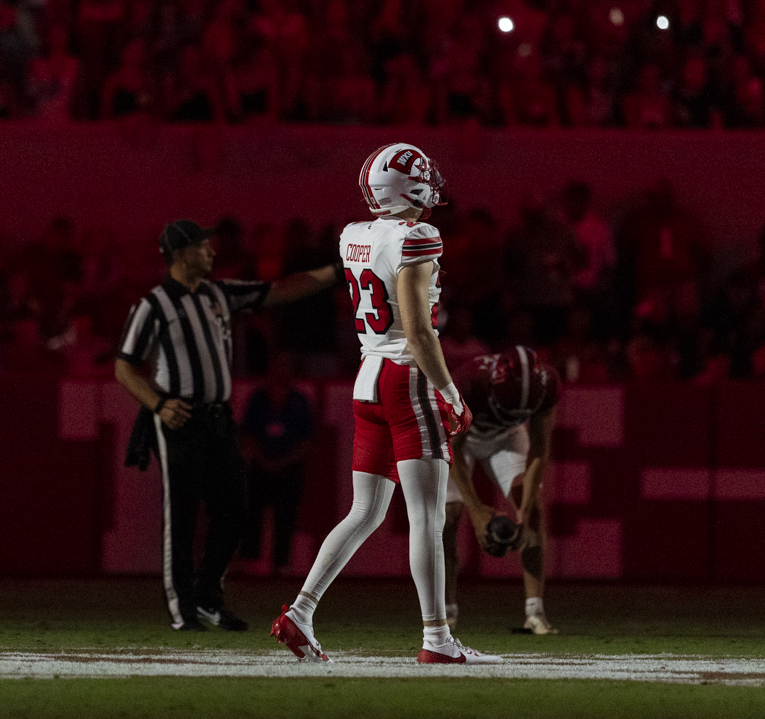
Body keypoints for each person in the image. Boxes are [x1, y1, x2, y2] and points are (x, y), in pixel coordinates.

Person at [272, 143, 501, 665]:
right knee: (426, 514)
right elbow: (420, 331)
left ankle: (301, 613)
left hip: (367, 376)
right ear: (411, 187)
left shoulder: (354, 234)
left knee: (366, 510)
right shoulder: (418, 236)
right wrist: (450, 392)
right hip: (407, 379)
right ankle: (437, 639)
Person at [115, 219, 338, 633]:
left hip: (219, 419)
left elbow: (282, 289)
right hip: (181, 418)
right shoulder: (154, 304)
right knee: (181, 517)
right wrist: (159, 404)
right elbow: (124, 366)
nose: (212, 253)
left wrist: (338, 269)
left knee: (236, 507)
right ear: (180, 254)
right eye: (203, 247)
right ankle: (183, 607)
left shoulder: (220, 293)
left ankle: (207, 596)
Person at [442, 346, 561, 635]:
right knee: (446, 518)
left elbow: (539, 450)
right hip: (459, 439)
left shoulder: (548, 383)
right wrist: (477, 510)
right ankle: (445, 613)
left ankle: (535, 613)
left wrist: (524, 508)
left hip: (506, 437)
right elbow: (452, 450)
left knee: (533, 514)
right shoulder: (468, 381)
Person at [239, 352, 314, 576]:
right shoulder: (258, 399)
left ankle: (282, 564)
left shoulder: (299, 401)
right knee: (252, 514)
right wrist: (262, 460)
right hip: (260, 466)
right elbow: (248, 435)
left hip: (290, 468)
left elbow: (306, 440)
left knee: (286, 516)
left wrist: (285, 461)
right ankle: (250, 563)